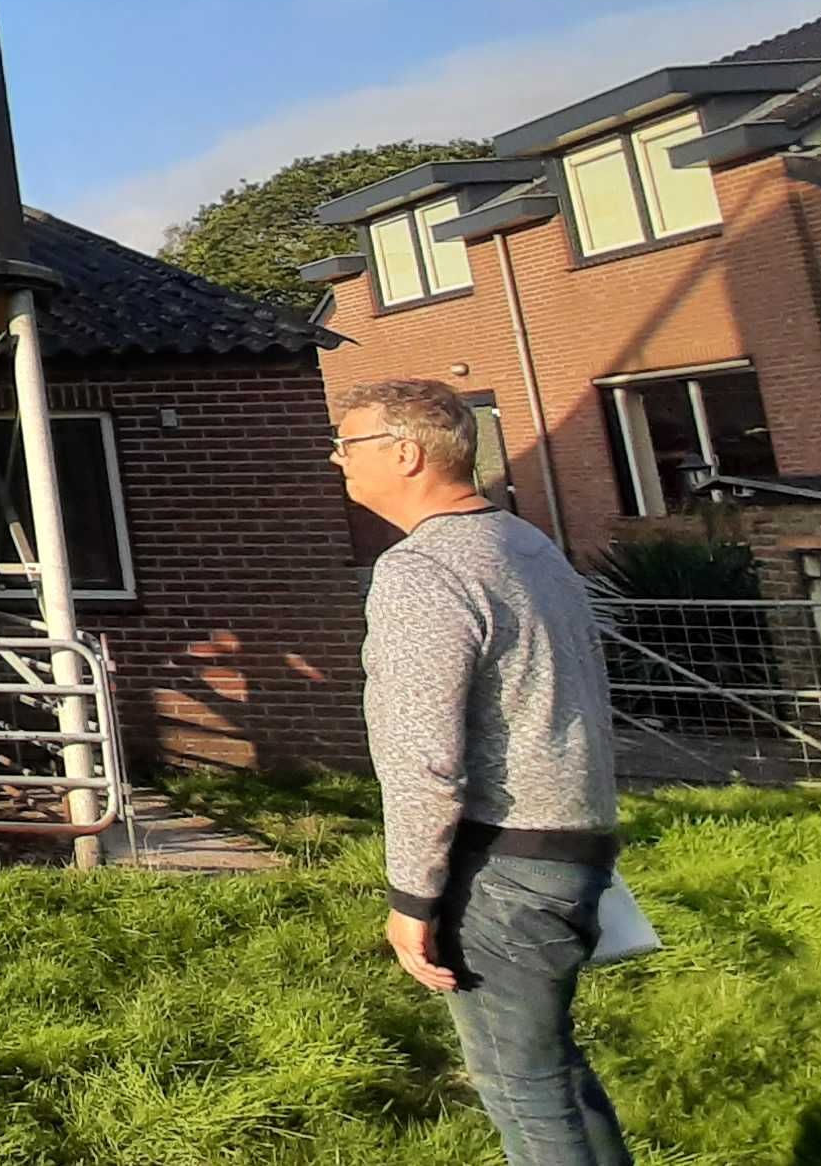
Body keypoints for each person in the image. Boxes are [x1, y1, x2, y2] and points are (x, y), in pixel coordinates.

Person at [337, 376, 630, 1166]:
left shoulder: (421, 572)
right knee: (552, 1072)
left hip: (501, 865)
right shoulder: (525, 544)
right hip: (575, 845)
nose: (338, 461)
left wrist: (411, 898)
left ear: (405, 453)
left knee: (522, 1090)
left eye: (347, 444)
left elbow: (421, 757)